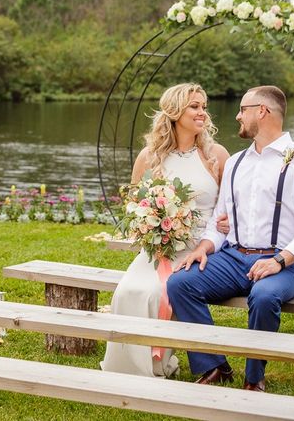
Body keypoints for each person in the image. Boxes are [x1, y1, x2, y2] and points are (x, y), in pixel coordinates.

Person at [167, 85, 294, 392]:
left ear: (262, 112)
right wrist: (204, 247)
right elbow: (220, 218)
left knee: (264, 296)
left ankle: (254, 378)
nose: (238, 115)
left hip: (284, 263)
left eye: (243, 110)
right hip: (233, 257)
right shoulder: (237, 162)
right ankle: (213, 365)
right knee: (180, 282)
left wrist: (280, 261)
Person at [101, 83, 229, 378]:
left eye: (204, 106)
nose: (202, 112)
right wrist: (150, 222)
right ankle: (128, 367)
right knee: (128, 291)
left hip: (199, 246)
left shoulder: (216, 155)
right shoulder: (150, 157)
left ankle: (156, 364)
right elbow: (135, 204)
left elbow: (231, 205)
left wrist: (226, 223)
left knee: (158, 291)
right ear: (174, 112)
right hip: (159, 247)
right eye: (194, 106)